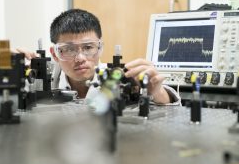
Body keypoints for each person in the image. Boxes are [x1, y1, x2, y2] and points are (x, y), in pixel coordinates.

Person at [23, 9, 180, 105]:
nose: (80, 58)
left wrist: (157, 92)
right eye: (69, 49)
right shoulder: (41, 82)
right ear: (55, 55)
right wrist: (9, 77)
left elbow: (173, 111)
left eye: (88, 47)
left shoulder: (116, 78)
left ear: (100, 48)